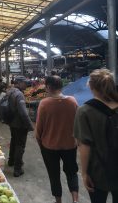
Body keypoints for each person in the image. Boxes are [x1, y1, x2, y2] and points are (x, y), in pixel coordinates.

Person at [74, 69, 118, 203]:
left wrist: (84, 173)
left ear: (91, 87)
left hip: (99, 171)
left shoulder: (85, 111)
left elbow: (84, 146)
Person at [35, 75, 79, 203]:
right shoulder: (73, 101)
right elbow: (77, 124)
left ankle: (58, 201)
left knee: (54, 175)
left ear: (48, 87)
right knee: (72, 172)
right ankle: (75, 200)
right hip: (70, 145)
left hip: (49, 147)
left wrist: (40, 143)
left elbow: (39, 129)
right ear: (61, 86)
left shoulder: (44, 103)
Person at [7, 76, 34, 177]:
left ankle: (11, 161)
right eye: (24, 83)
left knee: (14, 141)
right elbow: (23, 113)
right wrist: (30, 126)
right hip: (20, 124)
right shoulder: (19, 94)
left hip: (12, 122)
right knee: (20, 146)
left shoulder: (10, 91)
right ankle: (17, 169)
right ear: (18, 82)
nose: (26, 85)